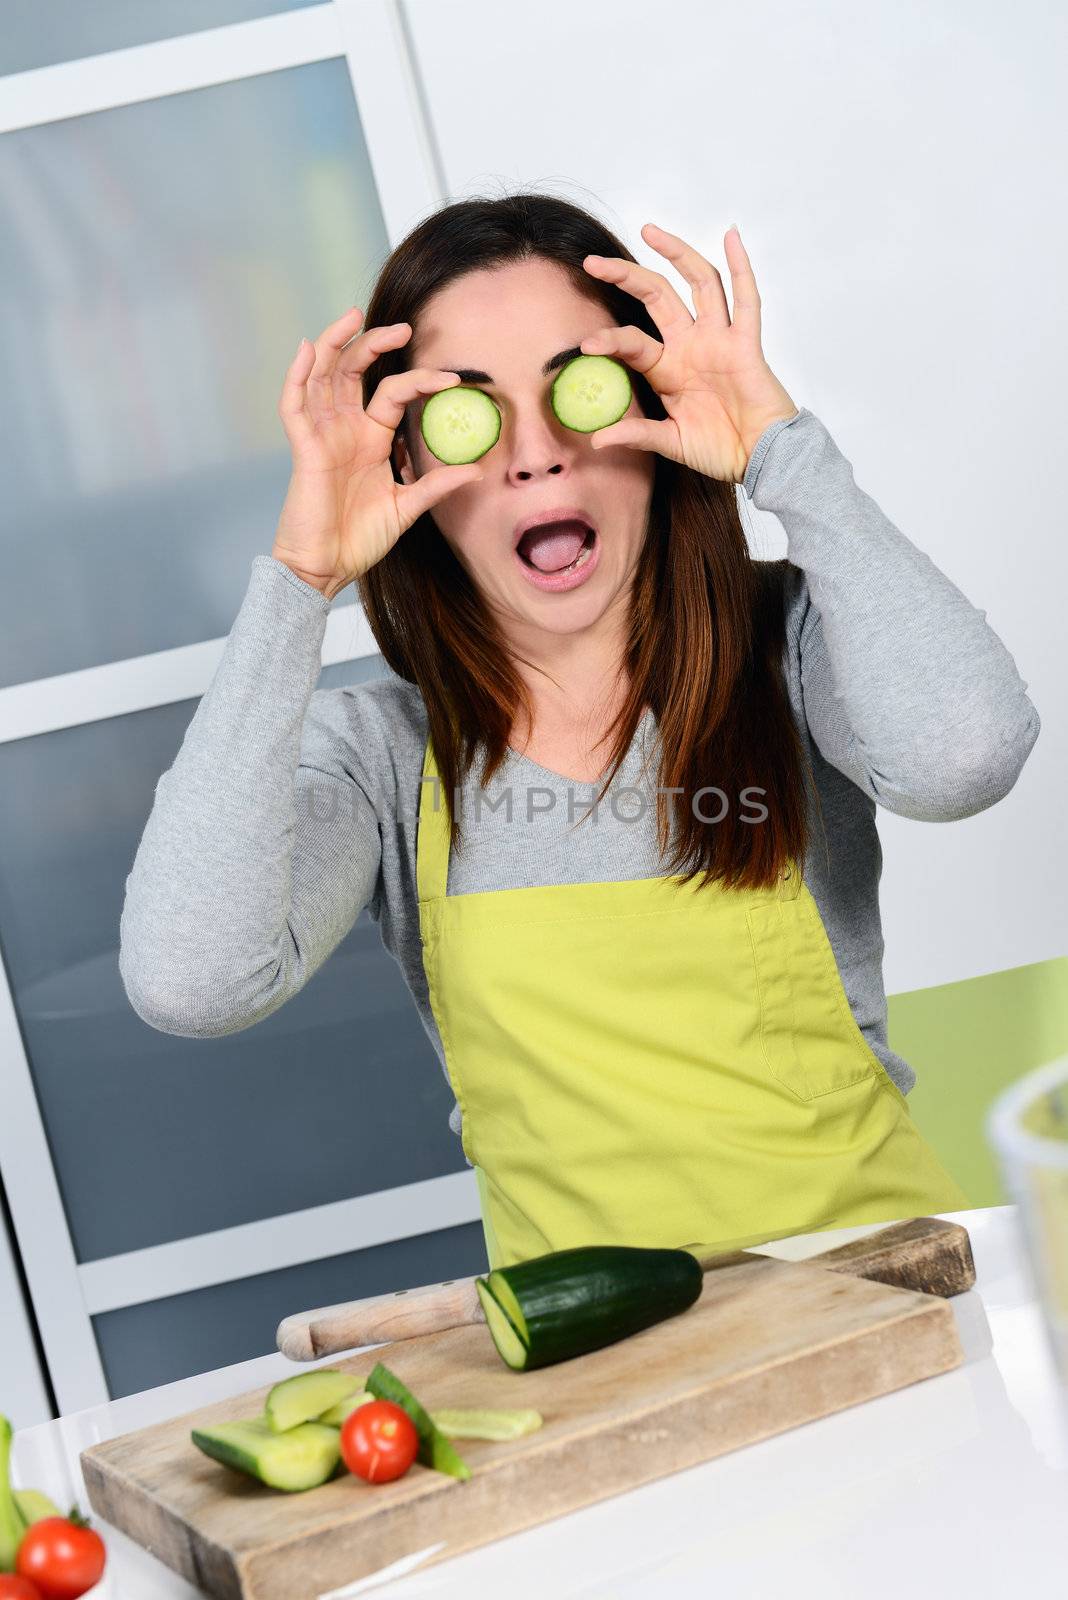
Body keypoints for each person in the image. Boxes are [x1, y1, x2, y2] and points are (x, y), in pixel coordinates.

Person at [119, 192, 1040, 1269]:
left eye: (576, 392)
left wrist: (782, 452)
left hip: (887, 1300)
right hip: (598, 1377)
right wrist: (299, 580)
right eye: (471, 413)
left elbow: (966, 756)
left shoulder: (791, 643)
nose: (536, 456)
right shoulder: (377, 755)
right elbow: (190, 981)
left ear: (651, 422)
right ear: (407, 466)